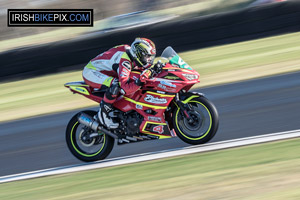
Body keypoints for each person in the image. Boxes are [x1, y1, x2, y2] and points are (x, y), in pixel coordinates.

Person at [82, 38, 157, 129]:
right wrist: (140, 81)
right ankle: (103, 115)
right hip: (91, 72)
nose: (149, 60)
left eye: (151, 57)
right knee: (116, 85)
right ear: (138, 54)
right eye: (147, 56)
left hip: (105, 72)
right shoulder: (125, 60)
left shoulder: (131, 54)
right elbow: (125, 88)